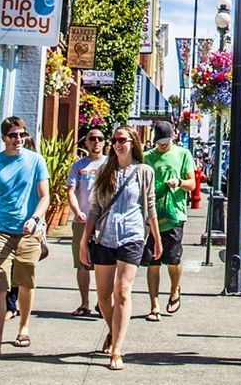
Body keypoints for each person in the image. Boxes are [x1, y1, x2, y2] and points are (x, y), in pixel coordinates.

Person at [79, 125, 160, 371]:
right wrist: (84, 239)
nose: (116, 143)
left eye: (121, 139)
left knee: (122, 291)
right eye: (114, 140)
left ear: (133, 142)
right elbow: (94, 207)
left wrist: (156, 237)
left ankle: (117, 350)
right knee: (103, 297)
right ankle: (114, 331)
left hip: (132, 236)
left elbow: (150, 204)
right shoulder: (105, 170)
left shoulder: (144, 171)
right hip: (105, 236)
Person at [0, 116, 47, 361]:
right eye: (13, 135)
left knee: (26, 281)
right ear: (4, 137)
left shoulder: (36, 161)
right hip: (0, 230)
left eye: (21, 135)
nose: (18, 139)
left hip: (28, 231)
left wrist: (35, 218)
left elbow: (44, 196)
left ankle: (23, 327)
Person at [142, 119, 197, 320]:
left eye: (165, 141)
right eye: (159, 142)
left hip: (175, 214)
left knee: (173, 259)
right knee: (152, 262)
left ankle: (175, 290)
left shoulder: (183, 154)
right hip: (151, 215)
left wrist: (179, 182)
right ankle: (154, 305)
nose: (162, 145)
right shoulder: (147, 157)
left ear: (173, 136)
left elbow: (192, 184)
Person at [64, 127, 105, 316]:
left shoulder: (109, 165)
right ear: (86, 142)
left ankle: (102, 302)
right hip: (82, 222)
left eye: (100, 138)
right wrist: (77, 211)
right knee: (82, 264)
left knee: (103, 264)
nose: (96, 142)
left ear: (105, 142)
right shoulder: (79, 166)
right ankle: (84, 303)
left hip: (104, 224)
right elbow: (70, 191)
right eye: (92, 138)